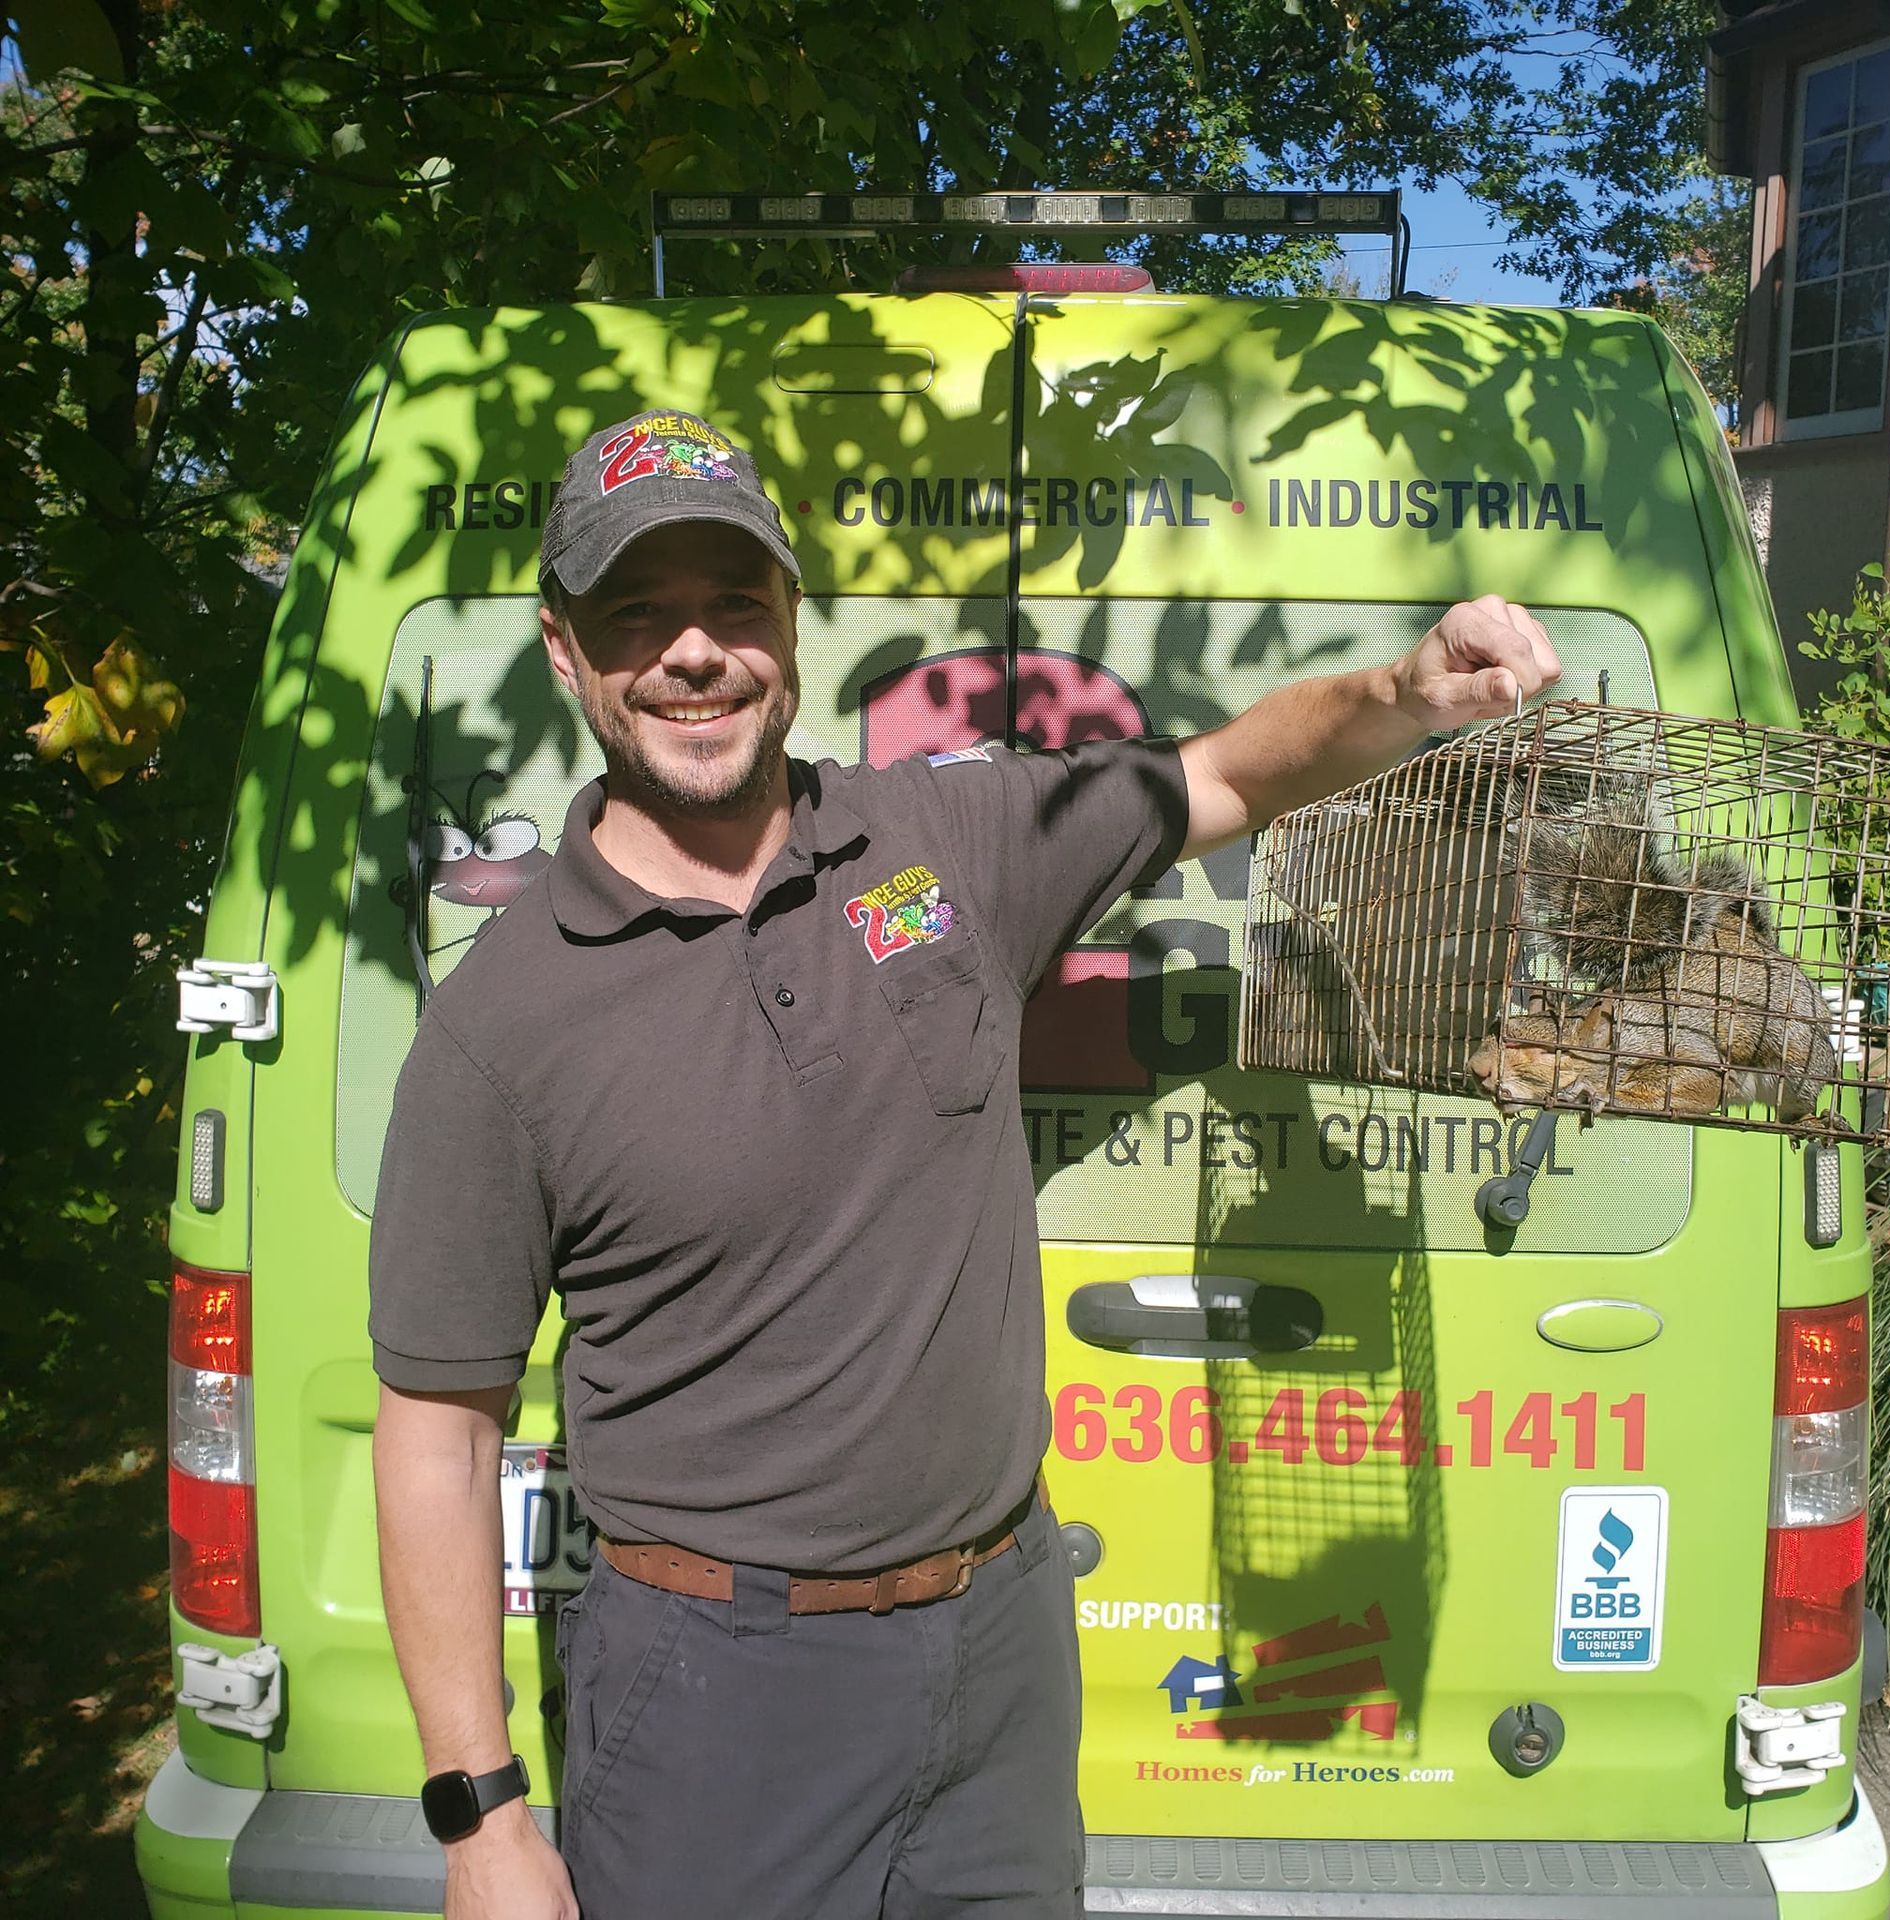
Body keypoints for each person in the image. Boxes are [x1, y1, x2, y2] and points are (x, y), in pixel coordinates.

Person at [368, 407, 1560, 1920]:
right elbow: (439, 1437)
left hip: (1000, 1647)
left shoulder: (945, 843)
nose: (693, 652)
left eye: (735, 604)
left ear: (791, 625)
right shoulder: (505, 1019)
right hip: (723, 1692)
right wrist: (481, 1822)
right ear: (565, 652)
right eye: (635, 617)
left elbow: (1224, 780)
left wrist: (1403, 692)